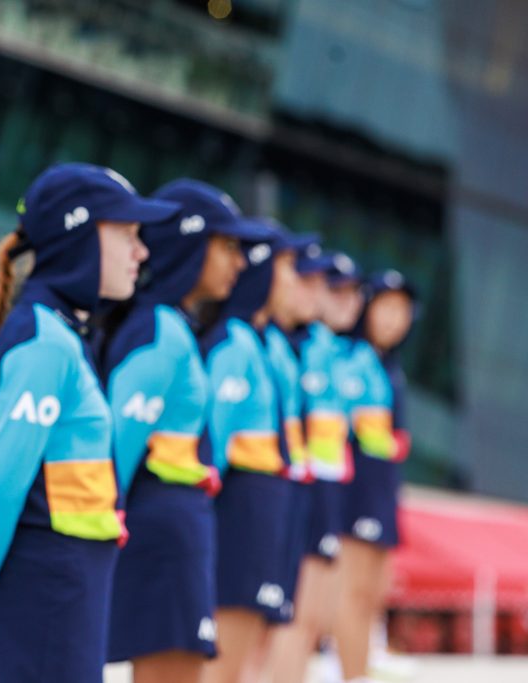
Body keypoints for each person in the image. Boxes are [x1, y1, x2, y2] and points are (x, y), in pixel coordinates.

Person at [0, 163, 180, 682]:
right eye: (128, 234)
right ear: (81, 237)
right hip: (42, 604)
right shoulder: (45, 345)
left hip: (59, 602)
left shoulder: (61, 336)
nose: (142, 252)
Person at [98, 181, 270, 683]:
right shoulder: (161, 332)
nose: (239, 263)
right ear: (191, 243)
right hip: (164, 537)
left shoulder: (170, 326)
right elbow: (115, 448)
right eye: (227, 246)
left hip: (174, 532)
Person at [200, 224, 314, 683]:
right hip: (236, 526)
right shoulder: (233, 344)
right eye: (288, 270)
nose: (296, 282)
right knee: (224, 665)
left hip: (262, 523)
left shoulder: (262, 344)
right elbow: (212, 451)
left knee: (247, 660)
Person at [266, 248, 358, 683]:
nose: (324, 295)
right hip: (294, 486)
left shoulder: (328, 347)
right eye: (315, 282)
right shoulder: (291, 345)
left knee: (309, 619)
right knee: (293, 618)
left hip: (321, 489)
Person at [333, 269, 417, 683]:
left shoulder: (389, 366)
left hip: (383, 492)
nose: (393, 319)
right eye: (386, 307)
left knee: (373, 593)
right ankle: (350, 673)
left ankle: (360, 668)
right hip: (355, 492)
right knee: (353, 592)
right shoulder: (350, 357)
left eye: (402, 310)